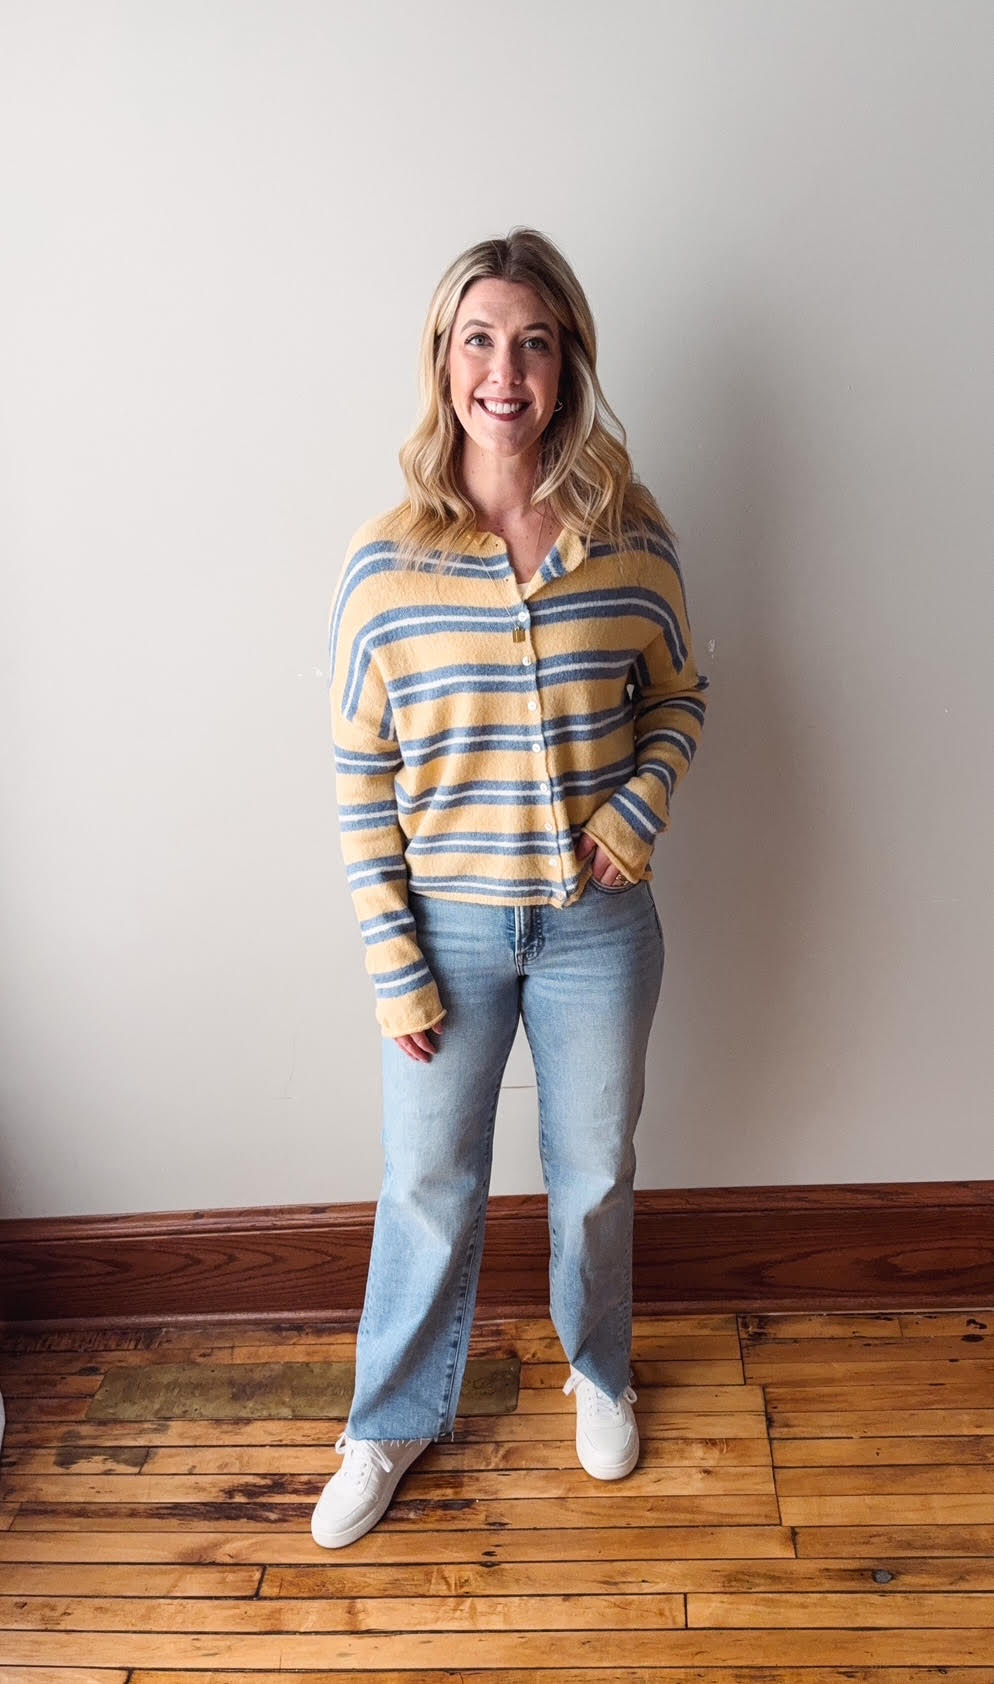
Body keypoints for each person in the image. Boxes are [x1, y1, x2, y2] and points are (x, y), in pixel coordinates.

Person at [313, 228, 708, 1549]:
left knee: (593, 1173)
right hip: (444, 932)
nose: (505, 367)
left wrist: (637, 806)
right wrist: (389, 958)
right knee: (427, 1182)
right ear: (443, 363)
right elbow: (359, 771)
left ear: (566, 364)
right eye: (479, 338)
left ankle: (598, 1370)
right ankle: (388, 1421)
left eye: (533, 340)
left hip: (599, 928)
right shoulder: (387, 562)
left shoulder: (628, 532)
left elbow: (678, 694)